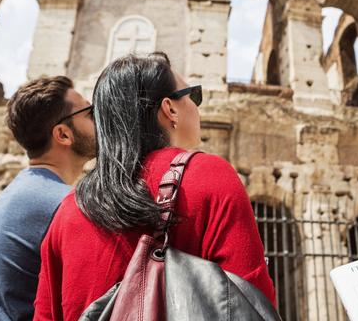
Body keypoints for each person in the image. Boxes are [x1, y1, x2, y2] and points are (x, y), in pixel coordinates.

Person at [33, 52, 275, 320]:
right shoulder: (210, 176)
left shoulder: (69, 208)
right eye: (193, 96)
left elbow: (45, 315)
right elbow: (252, 303)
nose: (197, 106)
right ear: (169, 108)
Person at [0, 76, 96, 321]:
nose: (99, 120)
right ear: (63, 135)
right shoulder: (63, 205)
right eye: (90, 113)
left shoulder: (15, 194)